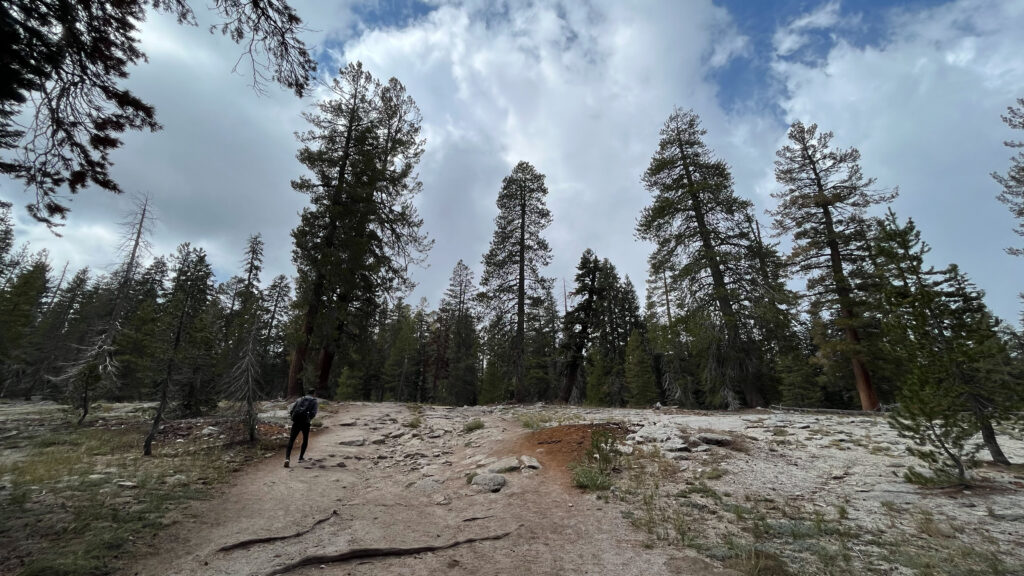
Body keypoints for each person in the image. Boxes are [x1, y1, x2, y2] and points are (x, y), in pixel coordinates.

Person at [284, 390, 318, 468]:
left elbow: (292, 410)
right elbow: (314, 413)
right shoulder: (314, 401)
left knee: (291, 440)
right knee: (305, 439)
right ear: (314, 394)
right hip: (306, 423)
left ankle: (287, 459)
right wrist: (309, 419)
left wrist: (294, 418)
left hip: (296, 422)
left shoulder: (300, 399)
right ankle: (300, 458)